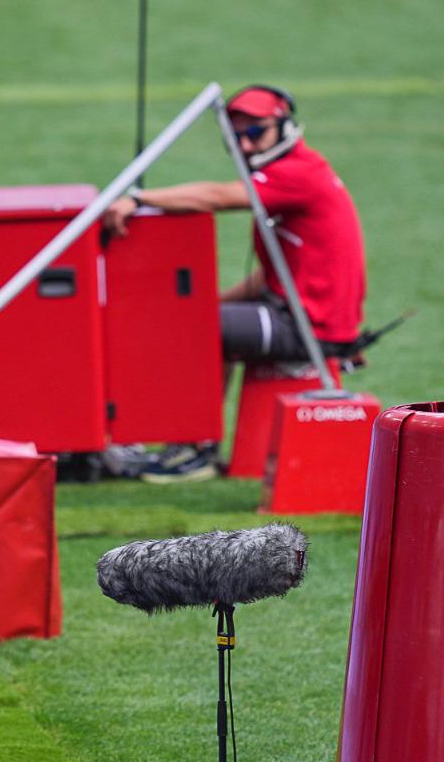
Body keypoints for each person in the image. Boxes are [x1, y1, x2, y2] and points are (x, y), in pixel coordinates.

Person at [102, 85, 367, 481]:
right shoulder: (299, 170)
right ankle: (182, 438)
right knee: (206, 317)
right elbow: (275, 275)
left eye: (255, 132)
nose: (245, 145)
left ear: (284, 127)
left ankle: (197, 448)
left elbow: (217, 196)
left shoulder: (296, 173)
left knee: (201, 327)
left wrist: (138, 200)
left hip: (308, 328)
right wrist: (210, 301)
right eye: (237, 136)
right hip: (304, 317)